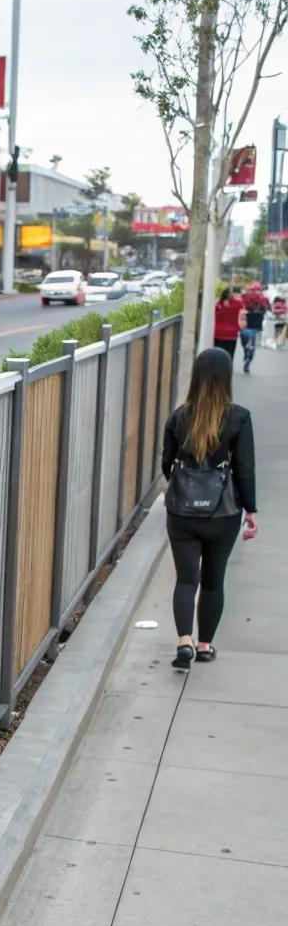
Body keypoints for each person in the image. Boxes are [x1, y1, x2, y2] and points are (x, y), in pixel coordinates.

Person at [162, 347, 257, 670]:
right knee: (214, 581)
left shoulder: (179, 416)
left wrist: (185, 488)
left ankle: (184, 641)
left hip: (181, 513)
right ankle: (205, 646)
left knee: (186, 580)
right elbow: (245, 469)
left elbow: (166, 463)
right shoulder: (239, 416)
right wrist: (251, 511)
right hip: (222, 514)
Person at [240, 281, 269, 373]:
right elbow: (267, 309)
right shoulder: (263, 299)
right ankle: (248, 358)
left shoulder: (245, 298)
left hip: (246, 326)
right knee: (252, 346)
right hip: (255, 327)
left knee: (246, 344)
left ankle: (247, 357)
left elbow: (241, 309)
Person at [212, 283, 244, 363]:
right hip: (232, 334)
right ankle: (227, 372)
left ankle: (217, 371)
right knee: (230, 355)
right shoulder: (238, 304)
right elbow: (243, 314)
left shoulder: (217, 304)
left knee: (217, 355)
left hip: (218, 334)